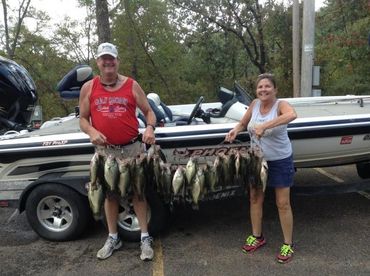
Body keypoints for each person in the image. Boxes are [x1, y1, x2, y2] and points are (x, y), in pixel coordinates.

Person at [79, 42, 157, 261]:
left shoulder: (132, 85)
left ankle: (144, 237)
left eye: (111, 58)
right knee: (110, 194)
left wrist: (150, 127)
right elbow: (83, 119)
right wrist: (92, 130)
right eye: (104, 58)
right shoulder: (89, 88)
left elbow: (149, 111)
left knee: (138, 192)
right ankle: (113, 237)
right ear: (98, 62)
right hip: (105, 152)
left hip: (132, 148)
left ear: (117, 61)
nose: (108, 62)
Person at [225, 73, 297, 264]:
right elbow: (243, 122)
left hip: (280, 160)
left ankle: (288, 244)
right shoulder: (255, 104)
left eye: (267, 86)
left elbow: (292, 115)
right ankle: (257, 237)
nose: (263, 90)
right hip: (257, 161)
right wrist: (235, 130)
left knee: (282, 203)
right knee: (255, 198)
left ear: (275, 89)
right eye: (260, 87)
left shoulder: (280, 105)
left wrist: (265, 125)